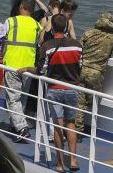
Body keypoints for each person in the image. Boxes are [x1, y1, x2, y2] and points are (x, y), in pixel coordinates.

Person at [37, 14, 82, 173]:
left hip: (54, 89)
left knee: (57, 126)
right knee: (71, 124)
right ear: (65, 27)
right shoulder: (77, 45)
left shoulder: (47, 46)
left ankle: (60, 164)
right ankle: (74, 161)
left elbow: (41, 70)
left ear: (53, 27)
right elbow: (79, 67)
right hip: (72, 89)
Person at [1, 0, 42, 142]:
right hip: (28, 67)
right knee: (22, 98)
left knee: (13, 99)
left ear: (21, 7)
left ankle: (22, 128)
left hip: (12, 65)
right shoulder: (38, 26)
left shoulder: (11, 21)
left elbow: (2, 41)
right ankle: (15, 125)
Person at [75, 12, 113, 133]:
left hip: (82, 70)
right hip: (96, 73)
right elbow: (111, 53)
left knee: (79, 101)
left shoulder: (88, 33)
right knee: (92, 102)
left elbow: (79, 49)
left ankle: (77, 127)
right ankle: (88, 128)